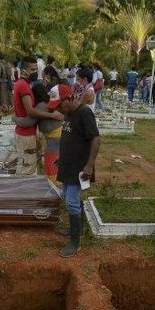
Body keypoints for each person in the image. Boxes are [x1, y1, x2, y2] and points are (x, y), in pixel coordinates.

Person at [52, 82, 101, 257]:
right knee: (68, 197)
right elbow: (70, 137)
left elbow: (95, 139)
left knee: (71, 201)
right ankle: (78, 229)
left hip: (80, 167)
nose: (59, 109)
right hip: (68, 164)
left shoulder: (84, 113)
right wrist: (61, 158)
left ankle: (75, 242)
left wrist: (89, 165)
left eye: (60, 105)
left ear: (70, 97)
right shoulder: (69, 113)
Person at [13, 56, 64, 175]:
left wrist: (15, 117)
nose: (35, 72)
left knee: (27, 165)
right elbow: (30, 111)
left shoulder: (24, 84)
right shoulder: (24, 86)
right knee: (27, 168)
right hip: (26, 133)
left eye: (36, 69)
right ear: (23, 70)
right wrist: (52, 116)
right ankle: (22, 192)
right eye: (32, 70)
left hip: (27, 132)